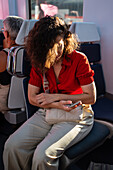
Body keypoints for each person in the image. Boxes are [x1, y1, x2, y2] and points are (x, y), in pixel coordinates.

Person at [3, 16, 96, 170]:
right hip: (48, 111)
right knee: (12, 146)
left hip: (77, 114)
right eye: (50, 47)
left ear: (65, 40)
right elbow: (32, 98)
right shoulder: (39, 61)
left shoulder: (79, 59)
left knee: (43, 155)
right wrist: (54, 104)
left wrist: (56, 97)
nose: (56, 52)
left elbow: (90, 97)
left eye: (59, 45)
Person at [0, 16, 24, 112]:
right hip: (25, 100)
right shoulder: (31, 52)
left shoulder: (3, 56)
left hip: (4, 104)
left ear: (6, 33)